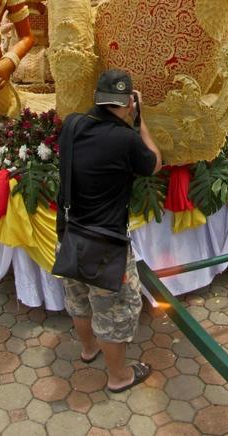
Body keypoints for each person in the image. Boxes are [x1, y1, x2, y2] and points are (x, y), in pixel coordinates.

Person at [57, 69, 162, 392]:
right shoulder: (126, 139)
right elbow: (155, 163)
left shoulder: (72, 125)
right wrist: (140, 121)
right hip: (106, 246)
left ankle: (88, 350)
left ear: (98, 98)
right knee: (114, 314)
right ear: (128, 101)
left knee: (79, 301)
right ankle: (119, 377)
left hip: (70, 235)